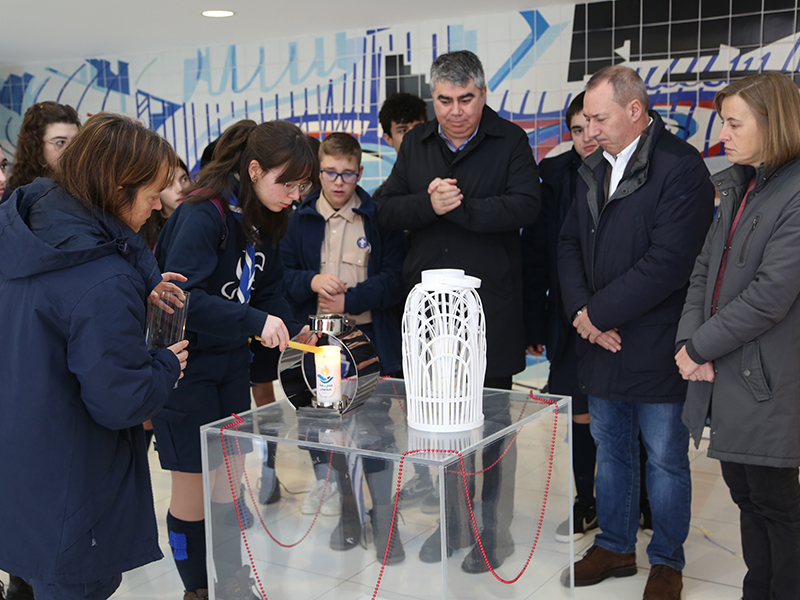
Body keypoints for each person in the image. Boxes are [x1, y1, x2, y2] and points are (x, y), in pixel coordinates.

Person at [0, 113, 188, 600]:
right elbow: (119, 400)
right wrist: (167, 363)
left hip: (19, 472)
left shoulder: (25, 226)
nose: (155, 209)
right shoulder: (103, 280)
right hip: (73, 489)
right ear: (117, 187)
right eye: (152, 196)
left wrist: (140, 284)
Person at [378, 50, 540, 573]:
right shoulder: (418, 143)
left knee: (493, 428)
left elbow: (526, 206)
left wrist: (461, 207)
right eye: (444, 100)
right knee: (442, 431)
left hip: (490, 310)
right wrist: (429, 205)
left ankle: (494, 534)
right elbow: (385, 208)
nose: (454, 111)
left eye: (465, 99)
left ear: (484, 94)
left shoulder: (510, 141)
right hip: (430, 318)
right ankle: (453, 525)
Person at [557, 66, 715, 599]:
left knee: (666, 458)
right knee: (612, 450)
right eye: (587, 119)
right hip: (600, 343)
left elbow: (669, 263)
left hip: (655, 343)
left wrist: (596, 315)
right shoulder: (592, 168)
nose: (591, 129)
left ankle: (667, 560)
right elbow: (568, 245)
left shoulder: (681, 168)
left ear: (634, 110)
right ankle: (616, 545)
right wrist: (583, 311)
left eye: (600, 118)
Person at [152, 119, 316, 600]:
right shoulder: (204, 213)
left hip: (228, 368)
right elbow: (181, 297)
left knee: (227, 488)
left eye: (301, 185)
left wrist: (291, 331)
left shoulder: (265, 216)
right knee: (192, 491)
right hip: (185, 369)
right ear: (254, 169)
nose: (294, 194)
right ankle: (197, 590)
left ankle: (234, 583)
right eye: (286, 182)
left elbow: (270, 290)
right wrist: (253, 323)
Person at [675, 72, 800, 600]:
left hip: (765, 376)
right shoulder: (738, 183)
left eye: (734, 122)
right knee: (745, 495)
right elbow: (703, 269)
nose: (722, 132)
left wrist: (701, 347)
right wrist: (688, 345)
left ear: (774, 123)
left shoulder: (794, 192)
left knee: (776, 504)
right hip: (725, 370)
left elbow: (772, 295)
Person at [280, 131, 408, 562]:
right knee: (327, 431)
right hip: (318, 344)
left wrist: (351, 299)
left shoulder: (377, 217)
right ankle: (349, 513)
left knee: (377, 432)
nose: (338, 182)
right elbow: (281, 276)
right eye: (330, 173)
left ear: (359, 171)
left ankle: (385, 518)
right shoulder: (297, 219)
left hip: (365, 340)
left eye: (348, 174)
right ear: (319, 171)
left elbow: (395, 278)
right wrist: (311, 282)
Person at [522, 91, 600, 542]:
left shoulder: (630, 170)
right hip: (567, 319)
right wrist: (535, 323)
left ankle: (637, 500)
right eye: (576, 130)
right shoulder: (551, 174)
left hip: (621, 318)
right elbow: (534, 254)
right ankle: (586, 501)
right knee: (578, 413)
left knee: (627, 415)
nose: (587, 137)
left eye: (593, 125)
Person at [1, 101, 81, 203]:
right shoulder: (15, 197)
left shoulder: (87, 190)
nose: (71, 150)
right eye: (60, 142)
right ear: (36, 145)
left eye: (76, 141)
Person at [373, 92, 427, 201]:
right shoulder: (382, 197)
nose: (413, 136)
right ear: (388, 139)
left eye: (418, 127)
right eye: (403, 130)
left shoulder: (449, 175)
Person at [139, 157, 191, 249]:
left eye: (184, 179)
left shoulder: (201, 218)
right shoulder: (144, 231)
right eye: (168, 184)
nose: (180, 189)